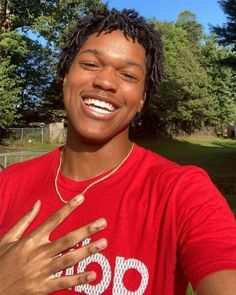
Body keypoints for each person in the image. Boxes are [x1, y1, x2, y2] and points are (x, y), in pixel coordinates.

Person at [0, 7, 236, 295]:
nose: (106, 82)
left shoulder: (183, 193)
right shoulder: (7, 185)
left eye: (127, 74)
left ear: (141, 100)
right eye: (90, 64)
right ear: (65, 76)